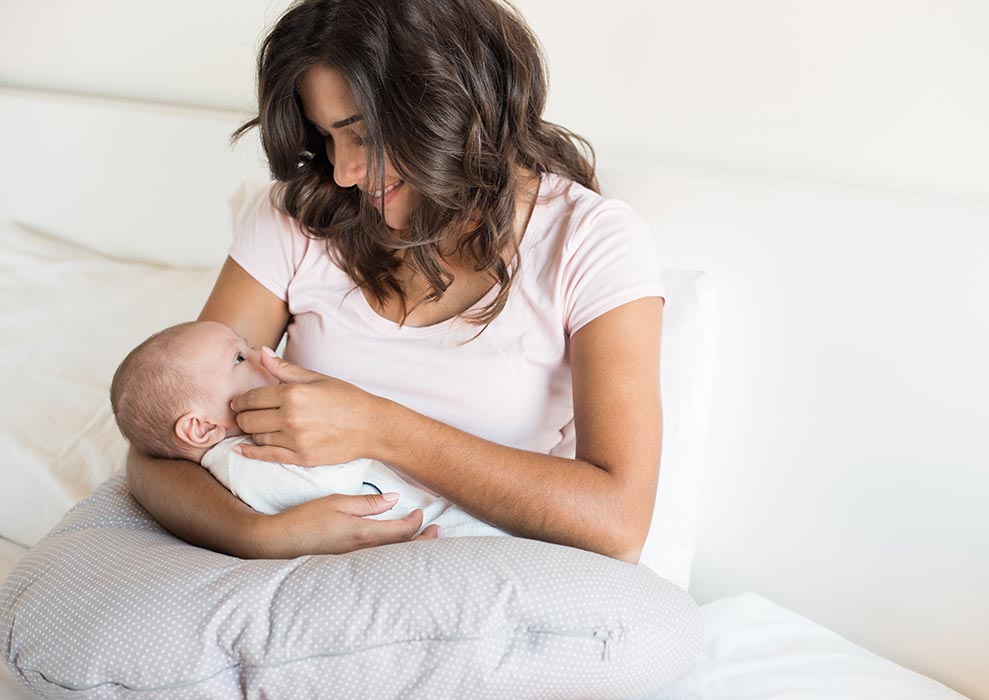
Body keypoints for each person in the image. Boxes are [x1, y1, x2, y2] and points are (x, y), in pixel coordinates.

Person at [126, 0, 665, 562]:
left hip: (477, 575)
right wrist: (263, 536)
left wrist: (380, 428)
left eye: (359, 134)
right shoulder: (299, 216)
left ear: (449, 103)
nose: (342, 172)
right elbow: (160, 443)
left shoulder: (590, 242)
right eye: (326, 138)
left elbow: (619, 522)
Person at [110, 319, 501, 539]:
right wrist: (351, 425)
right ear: (200, 428)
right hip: (427, 529)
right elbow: (326, 485)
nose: (266, 355)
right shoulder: (244, 461)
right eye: (240, 358)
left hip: (427, 513)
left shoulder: (248, 443)